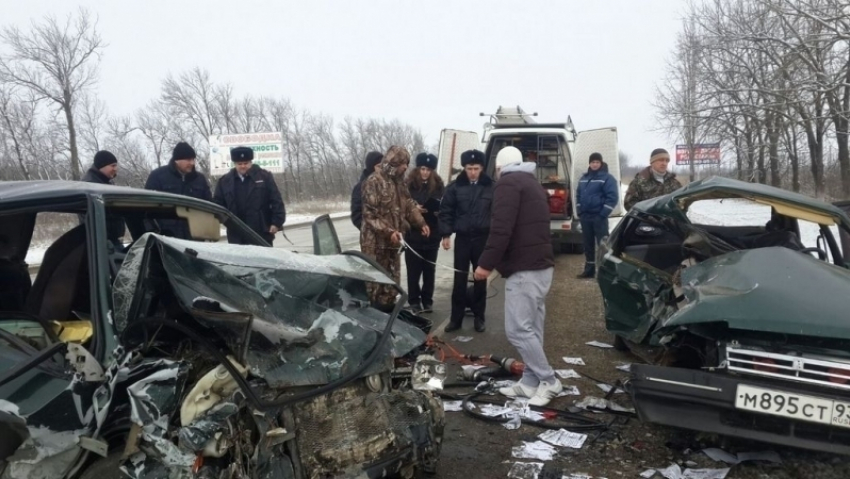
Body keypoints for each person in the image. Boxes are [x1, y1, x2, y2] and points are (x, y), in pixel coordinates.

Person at [473, 146, 561, 407]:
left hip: (525, 269)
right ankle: (530, 382)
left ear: (499, 168)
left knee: (518, 330)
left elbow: (501, 230)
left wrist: (485, 265)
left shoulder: (507, 185)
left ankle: (549, 380)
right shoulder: (531, 183)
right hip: (541, 266)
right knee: (532, 328)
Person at [361, 146, 430, 312]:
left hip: (394, 243)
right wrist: (389, 231)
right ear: (393, 162)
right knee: (376, 284)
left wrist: (421, 223)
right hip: (375, 245)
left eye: (407, 163)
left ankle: (389, 318)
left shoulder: (399, 183)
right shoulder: (373, 182)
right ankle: (375, 318)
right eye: (402, 163)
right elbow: (370, 215)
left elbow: (408, 205)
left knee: (392, 283)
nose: (406, 167)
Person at [439, 149, 493, 333]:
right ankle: (456, 319)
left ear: (481, 168)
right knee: (459, 279)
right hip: (462, 239)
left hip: (482, 239)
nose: (472, 172)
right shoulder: (454, 187)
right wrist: (446, 235)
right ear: (464, 168)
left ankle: (479, 317)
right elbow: (446, 212)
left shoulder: (490, 187)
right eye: (469, 168)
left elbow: (497, 214)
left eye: (476, 168)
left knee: (480, 278)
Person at [213, 146, 286, 245]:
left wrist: (276, 222)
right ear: (234, 164)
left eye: (246, 163)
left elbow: (276, 200)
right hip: (236, 234)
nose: (243, 166)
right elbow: (218, 205)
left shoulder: (264, 177)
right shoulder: (225, 181)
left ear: (251, 162)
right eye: (240, 164)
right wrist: (227, 221)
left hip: (261, 232)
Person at [145, 142, 212, 238]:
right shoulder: (158, 177)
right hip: (166, 237)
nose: (192, 163)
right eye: (188, 160)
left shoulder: (199, 179)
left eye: (193, 159)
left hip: (195, 237)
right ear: (177, 160)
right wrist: (153, 231)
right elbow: (147, 207)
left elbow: (208, 206)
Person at [404, 153, 445, 313]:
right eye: (422, 169)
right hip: (412, 235)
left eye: (428, 170)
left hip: (432, 234)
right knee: (413, 271)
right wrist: (414, 210)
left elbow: (443, 207)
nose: (425, 172)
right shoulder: (408, 185)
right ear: (418, 169)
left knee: (429, 271)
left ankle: (427, 300)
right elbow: (400, 208)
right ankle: (414, 300)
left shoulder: (439, 186)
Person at [576, 152, 619, 279]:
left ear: (601, 163)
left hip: (599, 217)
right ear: (589, 164)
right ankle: (589, 270)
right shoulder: (584, 178)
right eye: (592, 162)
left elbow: (612, 198)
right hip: (586, 217)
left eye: (597, 162)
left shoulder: (607, 178)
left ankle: (605, 271)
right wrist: (579, 210)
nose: (595, 164)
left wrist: (602, 214)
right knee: (588, 244)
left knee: (603, 245)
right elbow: (578, 195)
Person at [81, 150, 125, 248]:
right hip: (100, 242)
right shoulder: (90, 185)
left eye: (116, 165)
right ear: (102, 166)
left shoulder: (106, 182)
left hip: (111, 240)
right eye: (113, 166)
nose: (116, 169)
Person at [351, 151, 384, 230]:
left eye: (383, 166)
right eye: (379, 166)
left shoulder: (385, 184)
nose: (382, 170)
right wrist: (374, 230)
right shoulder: (360, 187)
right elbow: (357, 216)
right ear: (371, 167)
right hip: (372, 238)